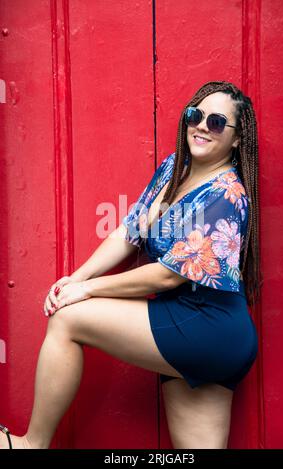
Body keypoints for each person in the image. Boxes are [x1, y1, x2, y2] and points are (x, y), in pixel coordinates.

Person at [0, 80, 263, 450]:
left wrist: (87, 291)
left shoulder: (227, 192)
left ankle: (31, 445)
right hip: (196, 329)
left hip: (209, 327)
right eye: (195, 115)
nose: (202, 125)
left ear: (237, 139)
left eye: (217, 121)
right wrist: (74, 279)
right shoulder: (175, 169)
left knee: (67, 318)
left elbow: (168, 274)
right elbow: (129, 231)